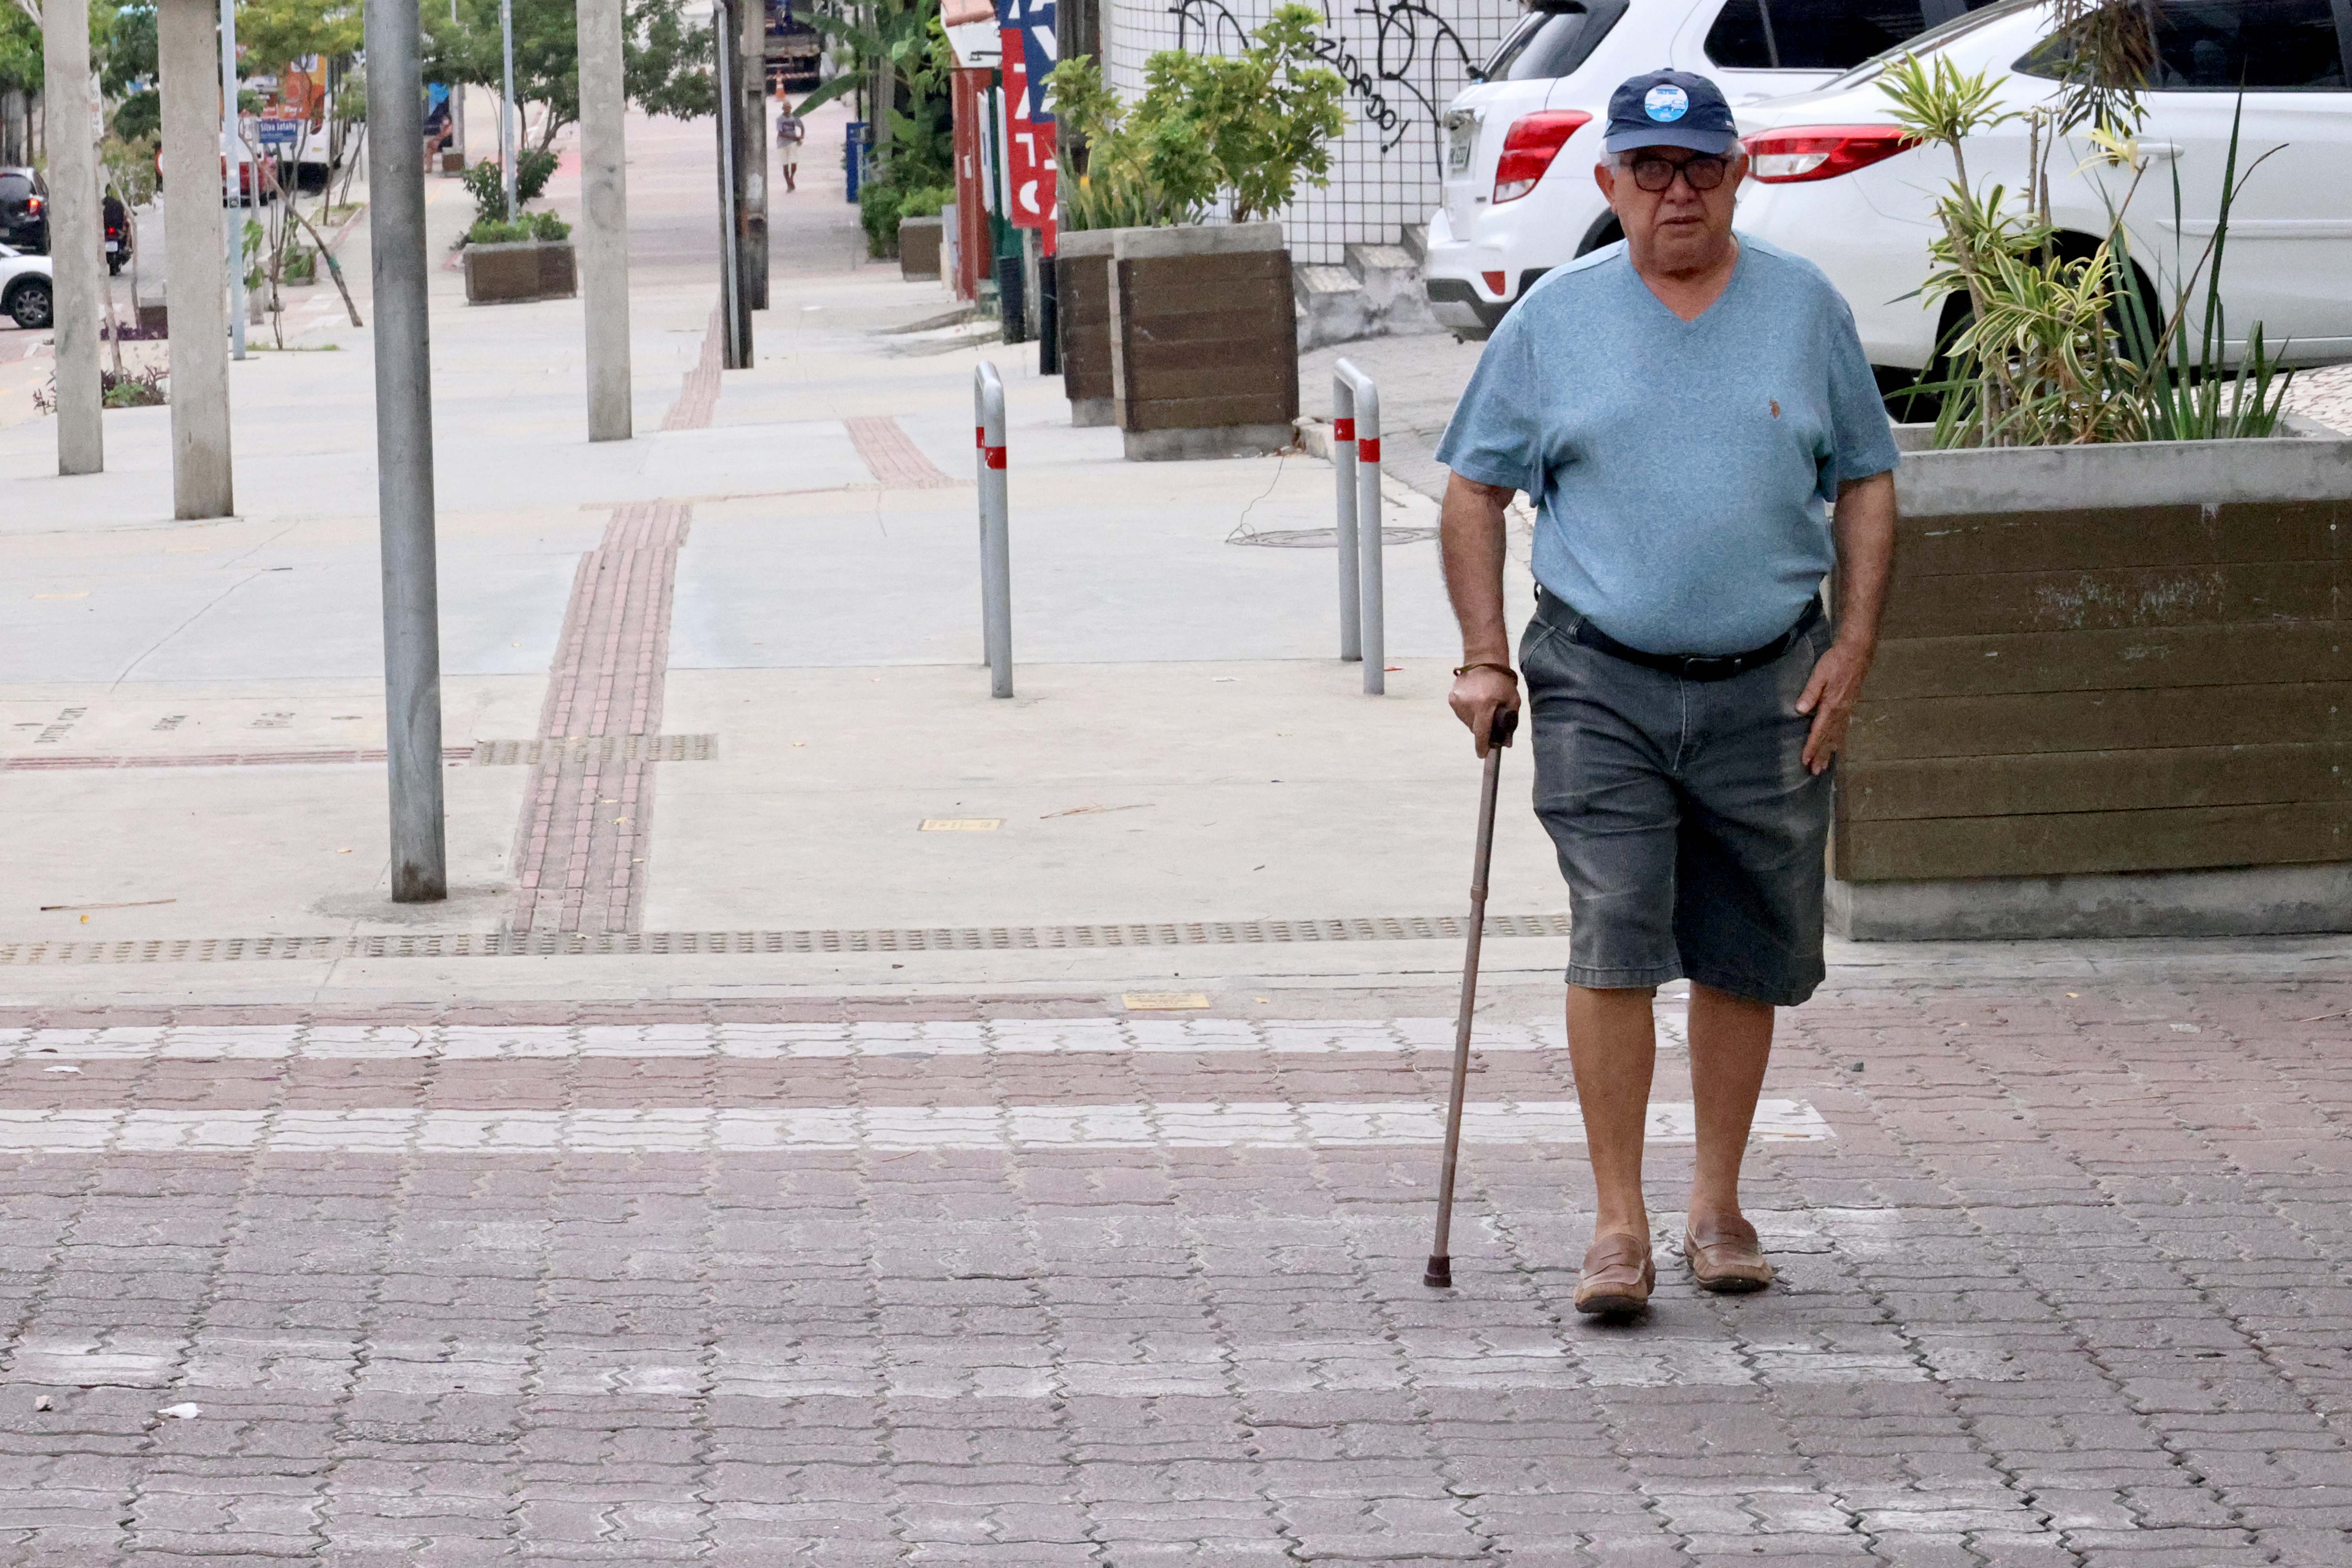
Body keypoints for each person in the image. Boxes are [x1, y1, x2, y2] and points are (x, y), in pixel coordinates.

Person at [1434, 69, 1899, 1317]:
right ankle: (1617, 1224)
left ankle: (1717, 1202)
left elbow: (1865, 479)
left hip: (1770, 675)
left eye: (1699, 166)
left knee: (1745, 945)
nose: (1674, 191)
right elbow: (1473, 489)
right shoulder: (1553, 319)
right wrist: (1484, 651)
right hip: (1599, 676)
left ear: (1738, 176)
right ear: (1607, 185)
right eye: (1648, 168)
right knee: (1618, 928)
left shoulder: (1803, 311)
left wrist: (1849, 649)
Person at [775, 94, 806, 193]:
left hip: (793, 144)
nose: (787, 109)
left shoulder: (794, 118)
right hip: (782, 144)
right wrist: (795, 138)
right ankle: (789, 183)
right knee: (785, 166)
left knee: (794, 162)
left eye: (789, 108)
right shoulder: (780, 119)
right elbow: (781, 133)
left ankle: (792, 178)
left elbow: (802, 127)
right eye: (785, 108)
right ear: (783, 109)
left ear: (791, 108)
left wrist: (801, 137)